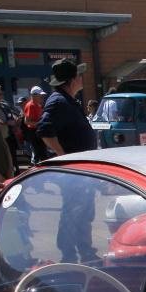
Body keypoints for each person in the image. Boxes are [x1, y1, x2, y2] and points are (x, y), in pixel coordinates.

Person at [36, 60, 99, 263]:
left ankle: (85, 251)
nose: (82, 78)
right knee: (73, 212)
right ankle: (68, 255)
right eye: (79, 75)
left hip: (82, 169)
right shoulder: (58, 102)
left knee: (84, 212)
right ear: (72, 80)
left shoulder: (68, 101)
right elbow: (44, 130)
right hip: (74, 170)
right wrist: (63, 156)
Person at [23, 86, 48, 163]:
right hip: (34, 132)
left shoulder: (38, 104)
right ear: (34, 95)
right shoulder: (30, 105)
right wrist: (40, 123)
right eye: (40, 95)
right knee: (38, 154)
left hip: (38, 131)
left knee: (43, 153)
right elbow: (27, 121)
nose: (42, 97)